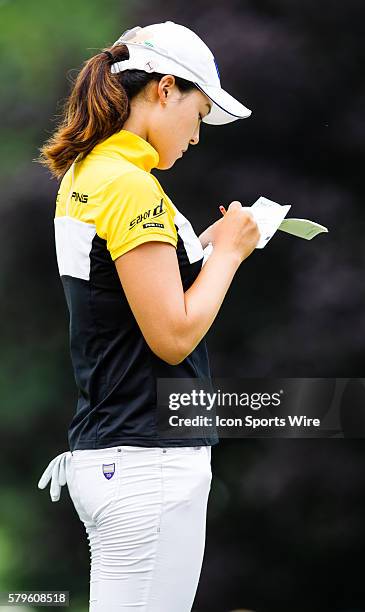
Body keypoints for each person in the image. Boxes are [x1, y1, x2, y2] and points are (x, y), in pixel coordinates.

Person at [36, 20, 260, 612]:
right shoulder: (133, 188)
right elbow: (173, 334)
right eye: (199, 112)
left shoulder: (91, 173)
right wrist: (231, 255)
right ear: (165, 89)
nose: (196, 135)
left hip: (118, 454)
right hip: (148, 461)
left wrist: (205, 249)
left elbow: (127, 290)